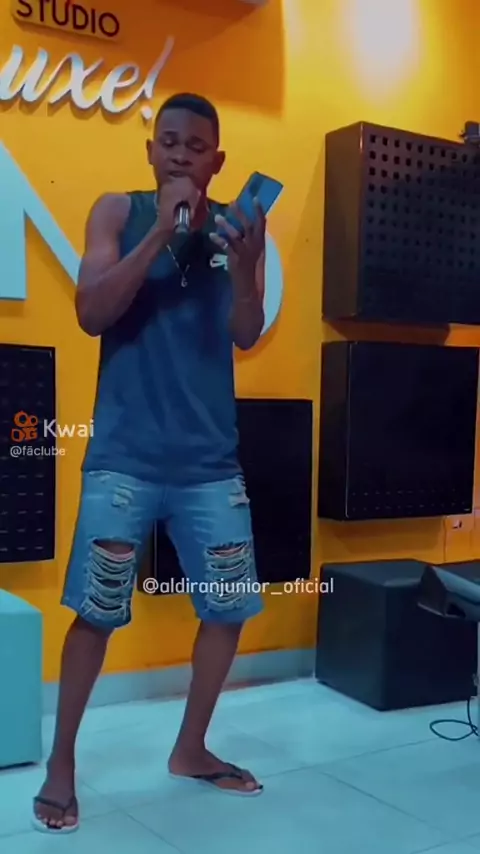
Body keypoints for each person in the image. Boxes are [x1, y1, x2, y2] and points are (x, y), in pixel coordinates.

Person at [33, 92, 267, 834]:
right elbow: (91, 312)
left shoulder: (237, 227)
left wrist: (248, 267)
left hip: (211, 465)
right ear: (150, 149)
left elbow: (246, 332)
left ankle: (190, 749)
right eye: (168, 141)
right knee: (95, 613)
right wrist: (161, 233)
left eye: (195, 146)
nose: (179, 154)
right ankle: (61, 765)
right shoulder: (117, 211)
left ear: (216, 160)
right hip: (123, 461)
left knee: (228, 609)